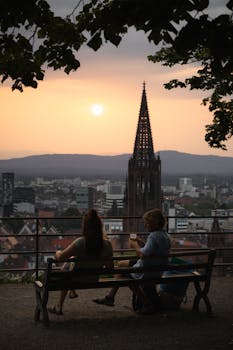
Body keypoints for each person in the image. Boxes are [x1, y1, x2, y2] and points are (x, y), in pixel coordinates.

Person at [93, 208, 171, 313]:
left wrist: (134, 245)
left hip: (148, 269)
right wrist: (140, 242)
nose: (145, 225)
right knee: (121, 264)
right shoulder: (165, 235)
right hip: (158, 266)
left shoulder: (153, 236)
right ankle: (110, 298)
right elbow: (152, 250)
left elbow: (142, 255)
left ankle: (146, 303)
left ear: (155, 223)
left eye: (147, 223)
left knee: (122, 275)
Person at [48, 208, 113, 315]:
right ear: (100, 227)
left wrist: (58, 252)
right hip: (93, 278)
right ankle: (71, 293)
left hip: (75, 279)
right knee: (71, 263)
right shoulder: (107, 245)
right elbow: (110, 267)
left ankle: (60, 305)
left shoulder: (80, 243)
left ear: (85, 227)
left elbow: (60, 258)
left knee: (69, 266)